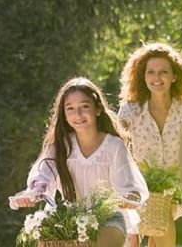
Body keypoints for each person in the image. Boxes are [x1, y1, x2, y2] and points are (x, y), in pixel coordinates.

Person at [11, 77, 149, 247]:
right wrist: (29, 195)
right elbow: (43, 176)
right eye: (70, 109)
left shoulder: (114, 145)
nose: (78, 115)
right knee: (45, 240)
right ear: (64, 114)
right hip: (69, 217)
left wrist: (128, 197)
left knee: (108, 238)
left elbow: (129, 186)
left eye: (84, 107)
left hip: (108, 217)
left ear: (98, 109)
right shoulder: (61, 145)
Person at [116, 43, 182, 247]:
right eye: (151, 72)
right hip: (137, 184)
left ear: (174, 76)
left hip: (170, 186)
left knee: (161, 226)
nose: (157, 78)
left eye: (163, 72)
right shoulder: (130, 109)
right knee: (136, 239)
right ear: (143, 76)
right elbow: (120, 147)